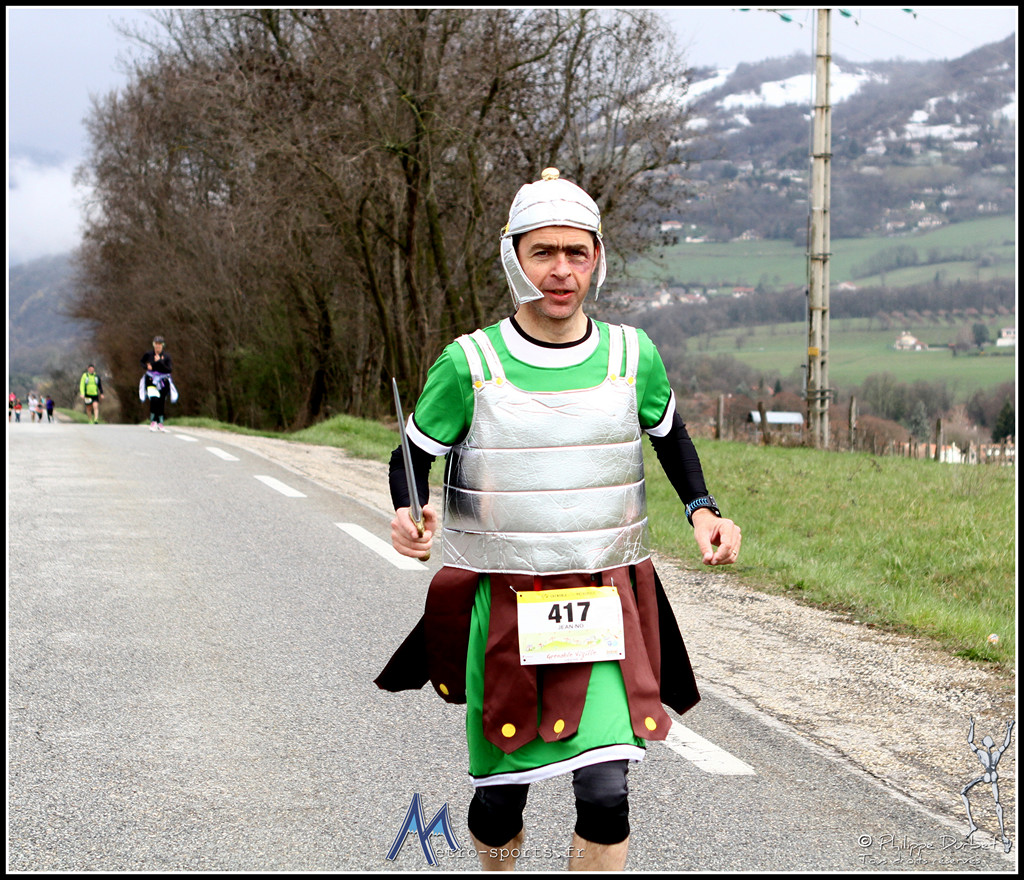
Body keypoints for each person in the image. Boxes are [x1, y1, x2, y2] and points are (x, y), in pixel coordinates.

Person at [377, 169, 741, 871]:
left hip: (605, 598)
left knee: (606, 794)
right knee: (499, 805)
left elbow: (670, 436)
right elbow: (411, 456)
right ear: (513, 257)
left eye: (577, 252)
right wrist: (408, 510)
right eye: (543, 252)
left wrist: (703, 510)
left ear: (597, 257)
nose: (561, 270)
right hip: (505, 603)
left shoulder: (633, 356)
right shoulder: (470, 363)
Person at [140, 336, 174, 431]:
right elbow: (141, 362)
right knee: (154, 399)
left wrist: (160, 362)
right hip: (151, 379)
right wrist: (146, 366)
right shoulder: (148, 354)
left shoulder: (167, 356)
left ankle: (160, 422)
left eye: (159, 344)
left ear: (163, 345)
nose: (158, 346)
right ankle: (153, 421)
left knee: (161, 401)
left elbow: (169, 369)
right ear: (153, 345)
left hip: (163, 380)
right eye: (156, 344)